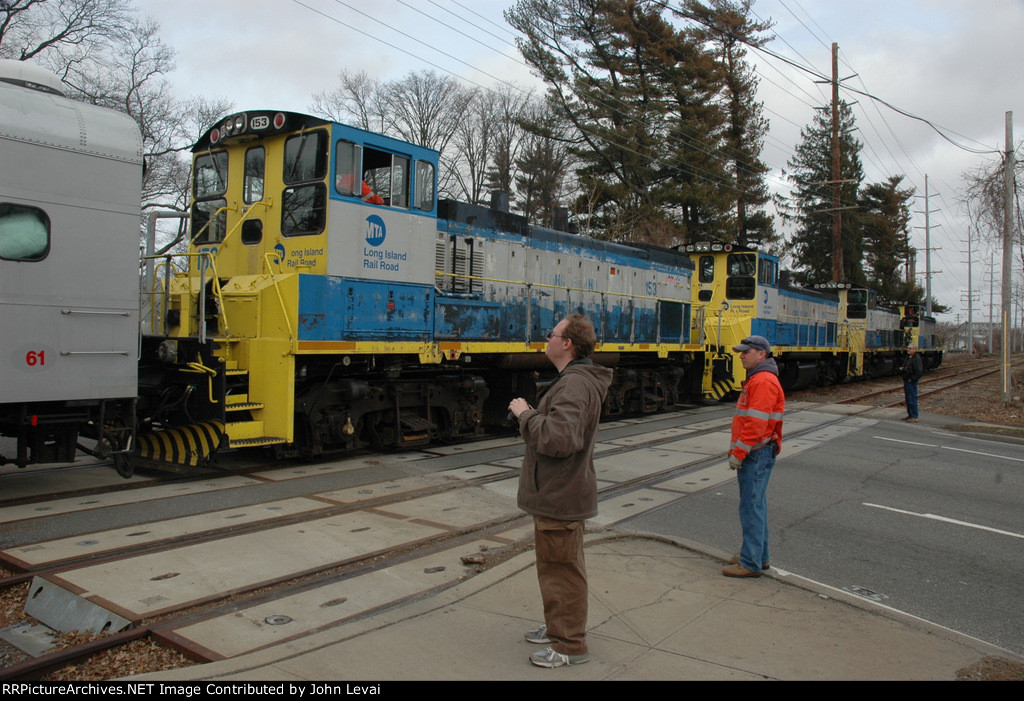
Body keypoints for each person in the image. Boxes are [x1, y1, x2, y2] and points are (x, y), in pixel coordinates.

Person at [508, 314, 613, 668]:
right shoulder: (575, 381)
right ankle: (559, 627)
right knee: (557, 567)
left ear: (566, 343)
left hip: (561, 495)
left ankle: (569, 645)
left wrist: (525, 415)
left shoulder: (573, 385)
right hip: (560, 493)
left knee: (562, 572)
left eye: (551, 334)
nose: (546, 338)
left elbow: (559, 438)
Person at [723, 335, 785, 579]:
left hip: (755, 453)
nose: (741, 355)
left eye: (745, 352)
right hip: (759, 451)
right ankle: (759, 555)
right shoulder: (759, 379)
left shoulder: (762, 382)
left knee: (751, 506)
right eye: (740, 351)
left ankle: (750, 562)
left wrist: (739, 452)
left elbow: (756, 424)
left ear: (761, 354)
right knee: (756, 505)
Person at [900, 343, 924, 422]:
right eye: (908, 348)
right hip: (907, 380)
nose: (908, 349)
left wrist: (912, 379)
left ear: (914, 349)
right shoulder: (908, 357)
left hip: (911, 381)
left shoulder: (916, 358)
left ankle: (914, 416)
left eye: (910, 348)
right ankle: (910, 415)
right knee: (908, 398)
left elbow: (919, 371)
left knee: (912, 398)